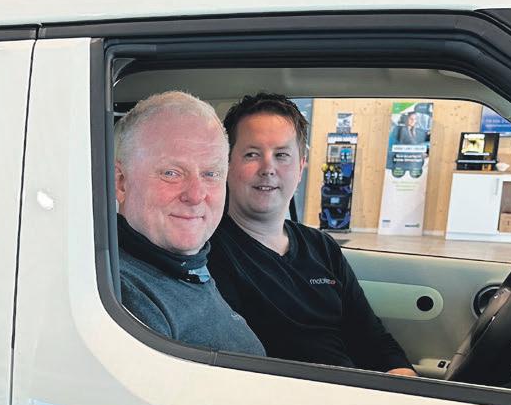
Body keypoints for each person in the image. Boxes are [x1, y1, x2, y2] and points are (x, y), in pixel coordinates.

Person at [209, 92, 417, 375]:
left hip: (353, 389)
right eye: (252, 154)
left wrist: (403, 378)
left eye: (282, 155)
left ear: (301, 166)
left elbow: (373, 340)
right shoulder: (210, 252)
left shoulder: (322, 246)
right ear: (227, 164)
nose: (268, 168)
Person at [113, 91, 265, 356]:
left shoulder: (186, 267)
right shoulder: (124, 299)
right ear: (121, 182)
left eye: (211, 174)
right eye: (171, 173)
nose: (196, 195)